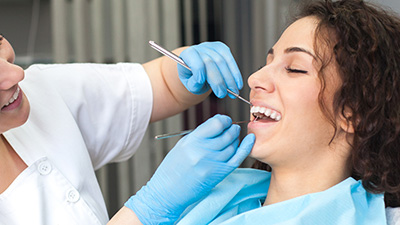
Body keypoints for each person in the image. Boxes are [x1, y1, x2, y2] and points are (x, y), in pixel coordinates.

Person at [108, 0, 400, 224]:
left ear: (352, 113)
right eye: (267, 61)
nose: (255, 78)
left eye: (294, 68)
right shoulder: (204, 202)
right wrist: (149, 208)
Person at [0, 31, 246, 224]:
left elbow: (159, 84)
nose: (16, 74)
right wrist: (150, 208)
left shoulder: (41, 89)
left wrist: (188, 66)